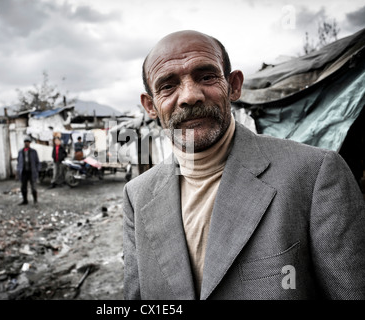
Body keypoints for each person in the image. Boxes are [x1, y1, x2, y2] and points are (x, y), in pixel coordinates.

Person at [123, 30, 365, 300]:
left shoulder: (314, 174)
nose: (190, 96)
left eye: (206, 76)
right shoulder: (138, 195)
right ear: (150, 105)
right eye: (168, 86)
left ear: (234, 86)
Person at [17, 137, 40, 205]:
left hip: (31, 171)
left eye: (28, 142)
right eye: (25, 142)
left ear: (29, 143)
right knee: (23, 187)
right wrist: (18, 170)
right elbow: (19, 162)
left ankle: (35, 200)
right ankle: (25, 200)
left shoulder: (33, 151)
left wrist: (37, 170)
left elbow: (37, 161)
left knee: (33, 187)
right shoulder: (20, 152)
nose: (26, 143)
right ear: (24, 143)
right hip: (24, 172)